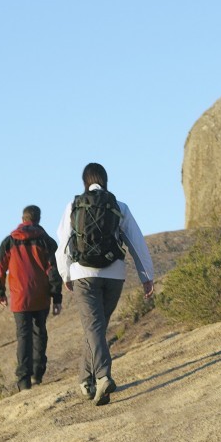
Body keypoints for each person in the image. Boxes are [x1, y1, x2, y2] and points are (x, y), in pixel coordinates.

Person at [56, 163, 155, 406]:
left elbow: (63, 243)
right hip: (114, 275)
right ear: (106, 180)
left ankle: (102, 376)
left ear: (85, 182)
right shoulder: (119, 206)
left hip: (83, 274)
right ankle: (85, 380)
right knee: (96, 328)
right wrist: (147, 276)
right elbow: (136, 242)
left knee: (94, 327)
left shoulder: (74, 205)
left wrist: (65, 274)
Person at [0, 205, 63, 391]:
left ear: (23, 219)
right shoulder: (46, 242)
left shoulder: (10, 242)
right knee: (40, 333)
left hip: (19, 297)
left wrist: (0, 292)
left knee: (24, 337)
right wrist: (57, 298)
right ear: (38, 219)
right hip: (41, 296)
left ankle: (24, 381)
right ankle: (37, 375)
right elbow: (54, 271)